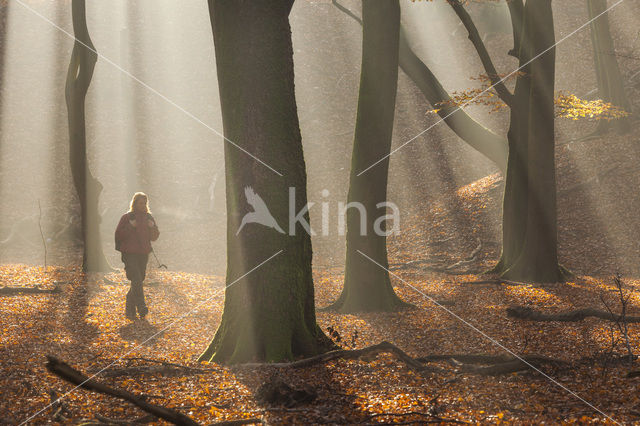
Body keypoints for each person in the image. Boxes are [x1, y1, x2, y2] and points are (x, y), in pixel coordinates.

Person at [115, 192, 160, 321]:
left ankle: (129, 310)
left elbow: (154, 237)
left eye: (145, 203)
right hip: (129, 254)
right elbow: (118, 235)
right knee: (136, 278)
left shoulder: (148, 217)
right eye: (141, 203)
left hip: (143, 254)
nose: (143, 205)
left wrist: (152, 228)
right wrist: (130, 226)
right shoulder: (127, 217)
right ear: (135, 203)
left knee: (138, 280)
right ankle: (141, 307)